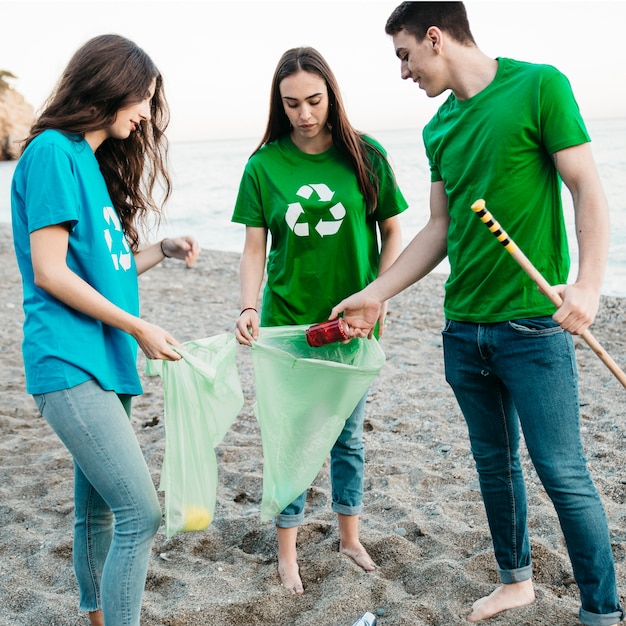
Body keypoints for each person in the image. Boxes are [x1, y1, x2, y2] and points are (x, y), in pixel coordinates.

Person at [330, 3, 624, 625]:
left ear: (434, 38)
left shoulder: (540, 85)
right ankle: (516, 581)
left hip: (531, 326)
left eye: (405, 55)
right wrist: (377, 291)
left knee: (562, 471)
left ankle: (601, 611)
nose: (404, 71)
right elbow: (439, 228)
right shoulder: (439, 128)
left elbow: (586, 188)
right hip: (463, 329)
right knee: (495, 464)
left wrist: (589, 285)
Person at [10, 34, 200, 626]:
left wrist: (158, 252)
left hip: (103, 361)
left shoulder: (88, 165)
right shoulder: (52, 152)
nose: (145, 114)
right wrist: (139, 326)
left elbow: (99, 269)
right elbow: (49, 271)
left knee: (96, 513)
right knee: (139, 514)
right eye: (142, 98)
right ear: (109, 86)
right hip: (69, 362)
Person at [232, 47, 408, 595]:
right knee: (291, 437)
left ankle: (350, 536)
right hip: (289, 327)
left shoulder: (366, 155)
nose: (304, 114)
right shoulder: (264, 166)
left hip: (353, 325)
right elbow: (254, 249)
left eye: (313, 100)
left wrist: (378, 298)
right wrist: (248, 305)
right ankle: (288, 549)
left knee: (348, 438)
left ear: (331, 94)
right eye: (291, 104)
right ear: (278, 105)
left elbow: (395, 232)